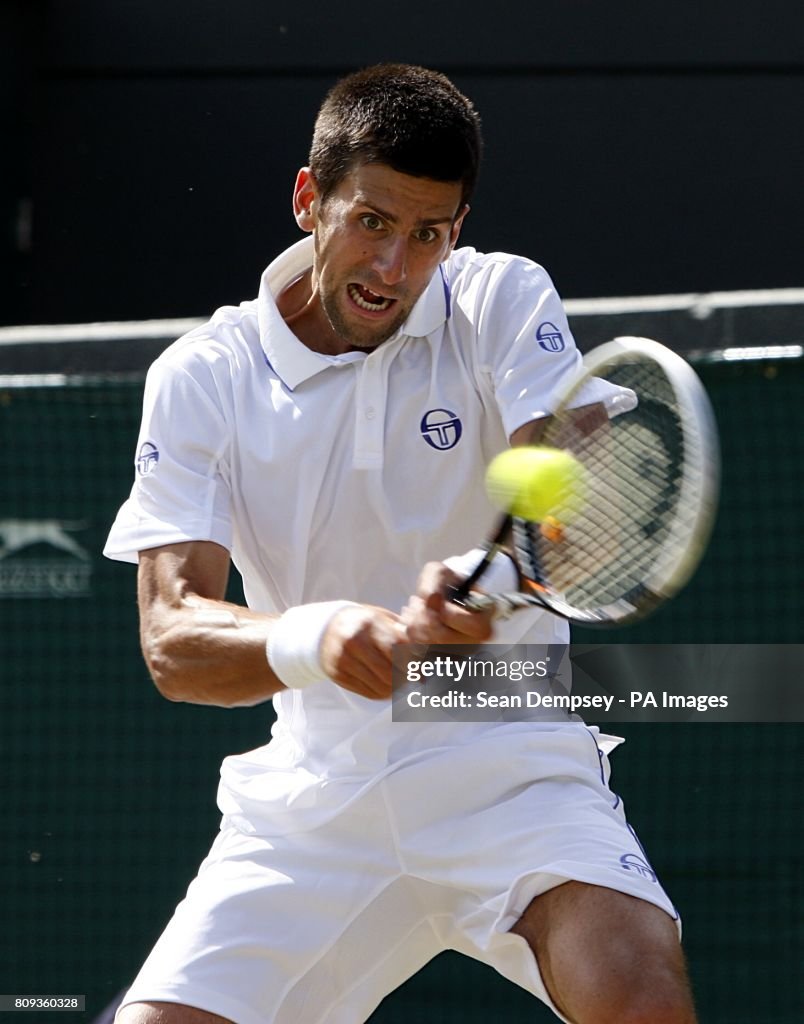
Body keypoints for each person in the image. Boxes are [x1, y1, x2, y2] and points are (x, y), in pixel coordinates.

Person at [104, 64, 697, 1024]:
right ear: (310, 199)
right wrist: (321, 636)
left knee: (639, 992)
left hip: (512, 756)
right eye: (373, 222)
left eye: (430, 234)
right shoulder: (202, 374)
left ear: (458, 229)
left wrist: (495, 580)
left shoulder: (502, 297)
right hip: (311, 800)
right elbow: (173, 644)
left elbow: (575, 518)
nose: (395, 268)